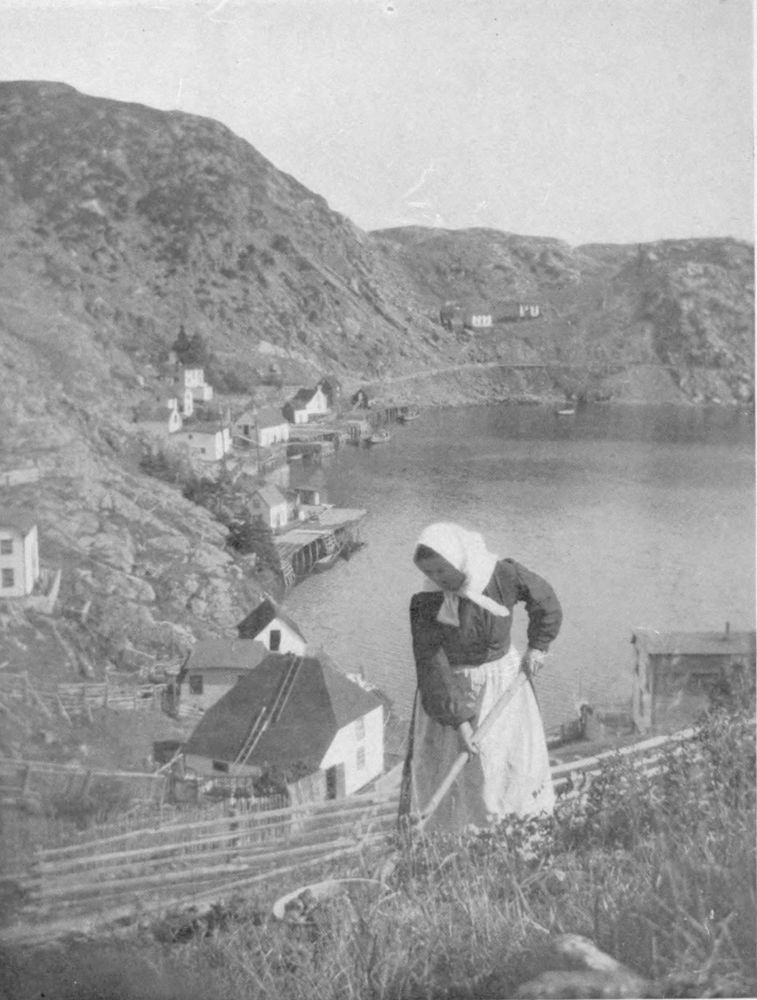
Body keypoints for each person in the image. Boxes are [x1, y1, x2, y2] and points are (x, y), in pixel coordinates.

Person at [400, 522, 562, 833]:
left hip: (502, 684)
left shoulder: (501, 575)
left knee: (504, 765)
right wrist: (460, 722)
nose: (438, 579)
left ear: (459, 557)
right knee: (457, 773)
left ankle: (519, 833)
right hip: (448, 695)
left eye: (442, 570)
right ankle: (456, 843)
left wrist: (538, 647)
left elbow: (545, 601)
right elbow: (431, 663)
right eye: (430, 573)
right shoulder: (426, 601)